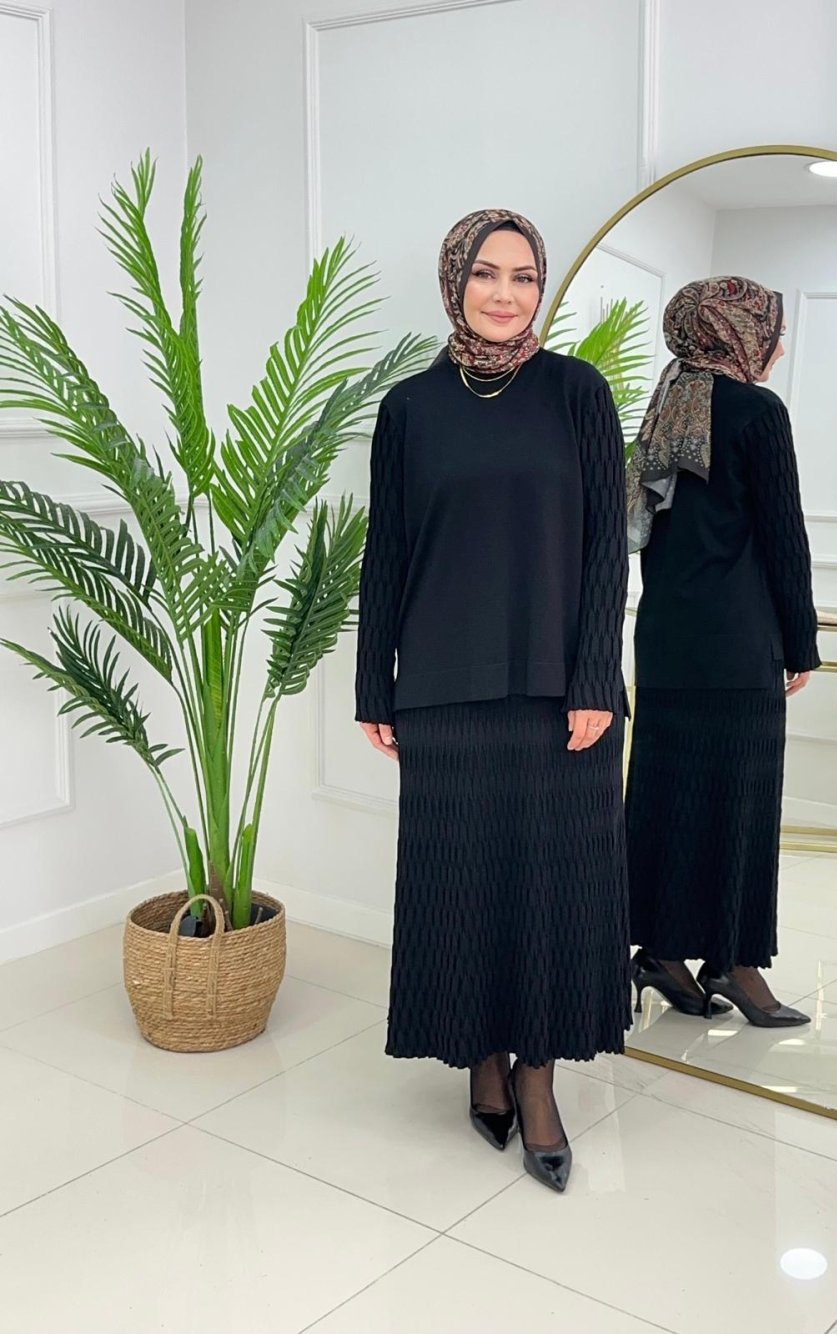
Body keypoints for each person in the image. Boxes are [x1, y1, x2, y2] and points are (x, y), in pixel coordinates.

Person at [354, 209, 630, 1192]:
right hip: (444, 690)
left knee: (555, 892)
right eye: (485, 273)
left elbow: (607, 547)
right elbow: (387, 551)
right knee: (464, 885)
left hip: (564, 699)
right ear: (453, 281)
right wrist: (373, 684)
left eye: (523, 276)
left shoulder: (577, 392)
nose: (505, 294)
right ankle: (482, 1057)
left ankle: (540, 1077)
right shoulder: (410, 407)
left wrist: (595, 678)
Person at [625, 276, 820, 1028]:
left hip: (666, 642)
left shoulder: (668, 404)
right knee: (740, 806)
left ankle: (662, 953)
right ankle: (735, 964)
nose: (778, 347)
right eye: (772, 330)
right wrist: (800, 642)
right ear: (739, 332)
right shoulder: (756, 411)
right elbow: (783, 534)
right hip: (738, 645)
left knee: (668, 800)